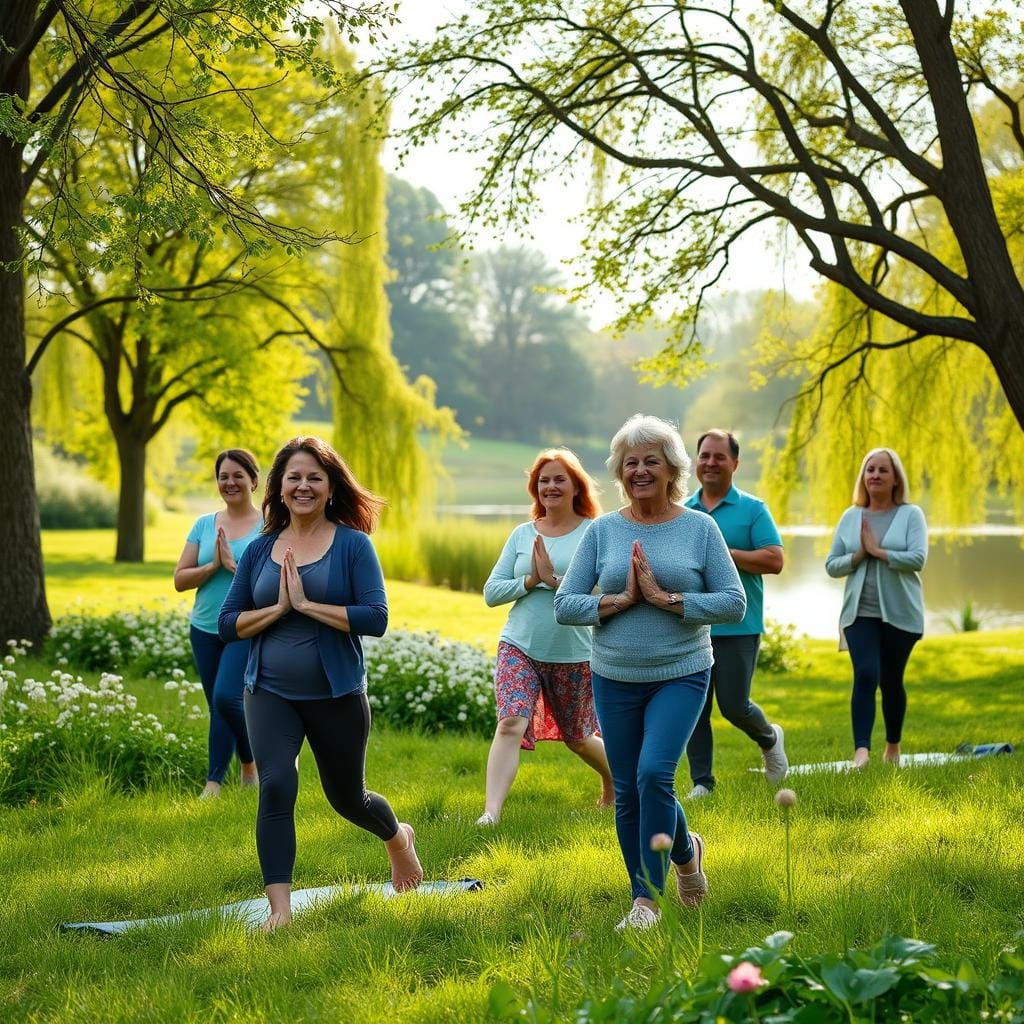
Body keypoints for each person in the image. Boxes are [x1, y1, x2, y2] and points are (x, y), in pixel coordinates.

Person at [218, 436, 422, 930]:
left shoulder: (353, 546)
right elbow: (228, 623)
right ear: (279, 488)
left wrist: (309, 607)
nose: (303, 485)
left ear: (330, 487)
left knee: (348, 797)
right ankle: (280, 912)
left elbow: (376, 617)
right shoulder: (261, 549)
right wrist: (279, 609)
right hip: (267, 690)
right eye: (294, 477)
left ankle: (398, 838)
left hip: (337, 694)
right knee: (277, 785)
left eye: (314, 477)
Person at [555, 414, 746, 931]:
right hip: (614, 675)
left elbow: (734, 602)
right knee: (631, 789)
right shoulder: (604, 530)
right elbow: (565, 604)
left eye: (650, 461)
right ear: (620, 470)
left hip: (680, 672)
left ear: (671, 470)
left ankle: (647, 903)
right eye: (630, 462)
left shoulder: (699, 527)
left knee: (653, 774)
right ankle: (686, 855)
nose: (639, 470)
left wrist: (668, 600)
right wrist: (619, 600)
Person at [477, 448, 613, 825]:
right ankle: (491, 813)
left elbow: (603, 593)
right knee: (510, 723)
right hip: (519, 644)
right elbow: (492, 592)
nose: (550, 486)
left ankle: (613, 780)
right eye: (543, 481)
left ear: (575, 487)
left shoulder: (594, 533)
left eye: (558, 479)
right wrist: (530, 580)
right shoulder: (522, 534)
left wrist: (553, 581)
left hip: (574, 651)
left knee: (579, 737)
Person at [683, 429, 788, 797]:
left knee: (734, 705)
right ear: (696, 462)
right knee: (693, 707)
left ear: (735, 463)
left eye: (719, 457)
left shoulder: (753, 510)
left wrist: (722, 553)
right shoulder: (683, 511)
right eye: (704, 456)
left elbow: (774, 560)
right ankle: (702, 783)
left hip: (738, 624)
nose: (710, 463)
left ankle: (769, 737)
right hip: (692, 623)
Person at [826, 447, 927, 769]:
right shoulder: (851, 516)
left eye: (883, 470)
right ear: (863, 477)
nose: (875, 476)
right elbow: (832, 565)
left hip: (901, 613)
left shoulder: (911, 515)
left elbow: (918, 559)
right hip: (860, 613)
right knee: (866, 673)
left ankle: (893, 747)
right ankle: (861, 753)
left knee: (892, 680)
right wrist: (858, 556)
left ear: (895, 478)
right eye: (870, 470)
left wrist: (878, 551)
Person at [174, 449, 262, 798]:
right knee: (217, 705)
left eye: (238, 475)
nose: (230, 482)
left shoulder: (268, 526)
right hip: (204, 628)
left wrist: (234, 568)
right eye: (223, 476)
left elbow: (270, 584)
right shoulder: (204, 525)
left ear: (254, 480)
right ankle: (236, 771)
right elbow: (180, 579)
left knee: (228, 698)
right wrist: (213, 566)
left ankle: (220, 779)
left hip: (242, 625)